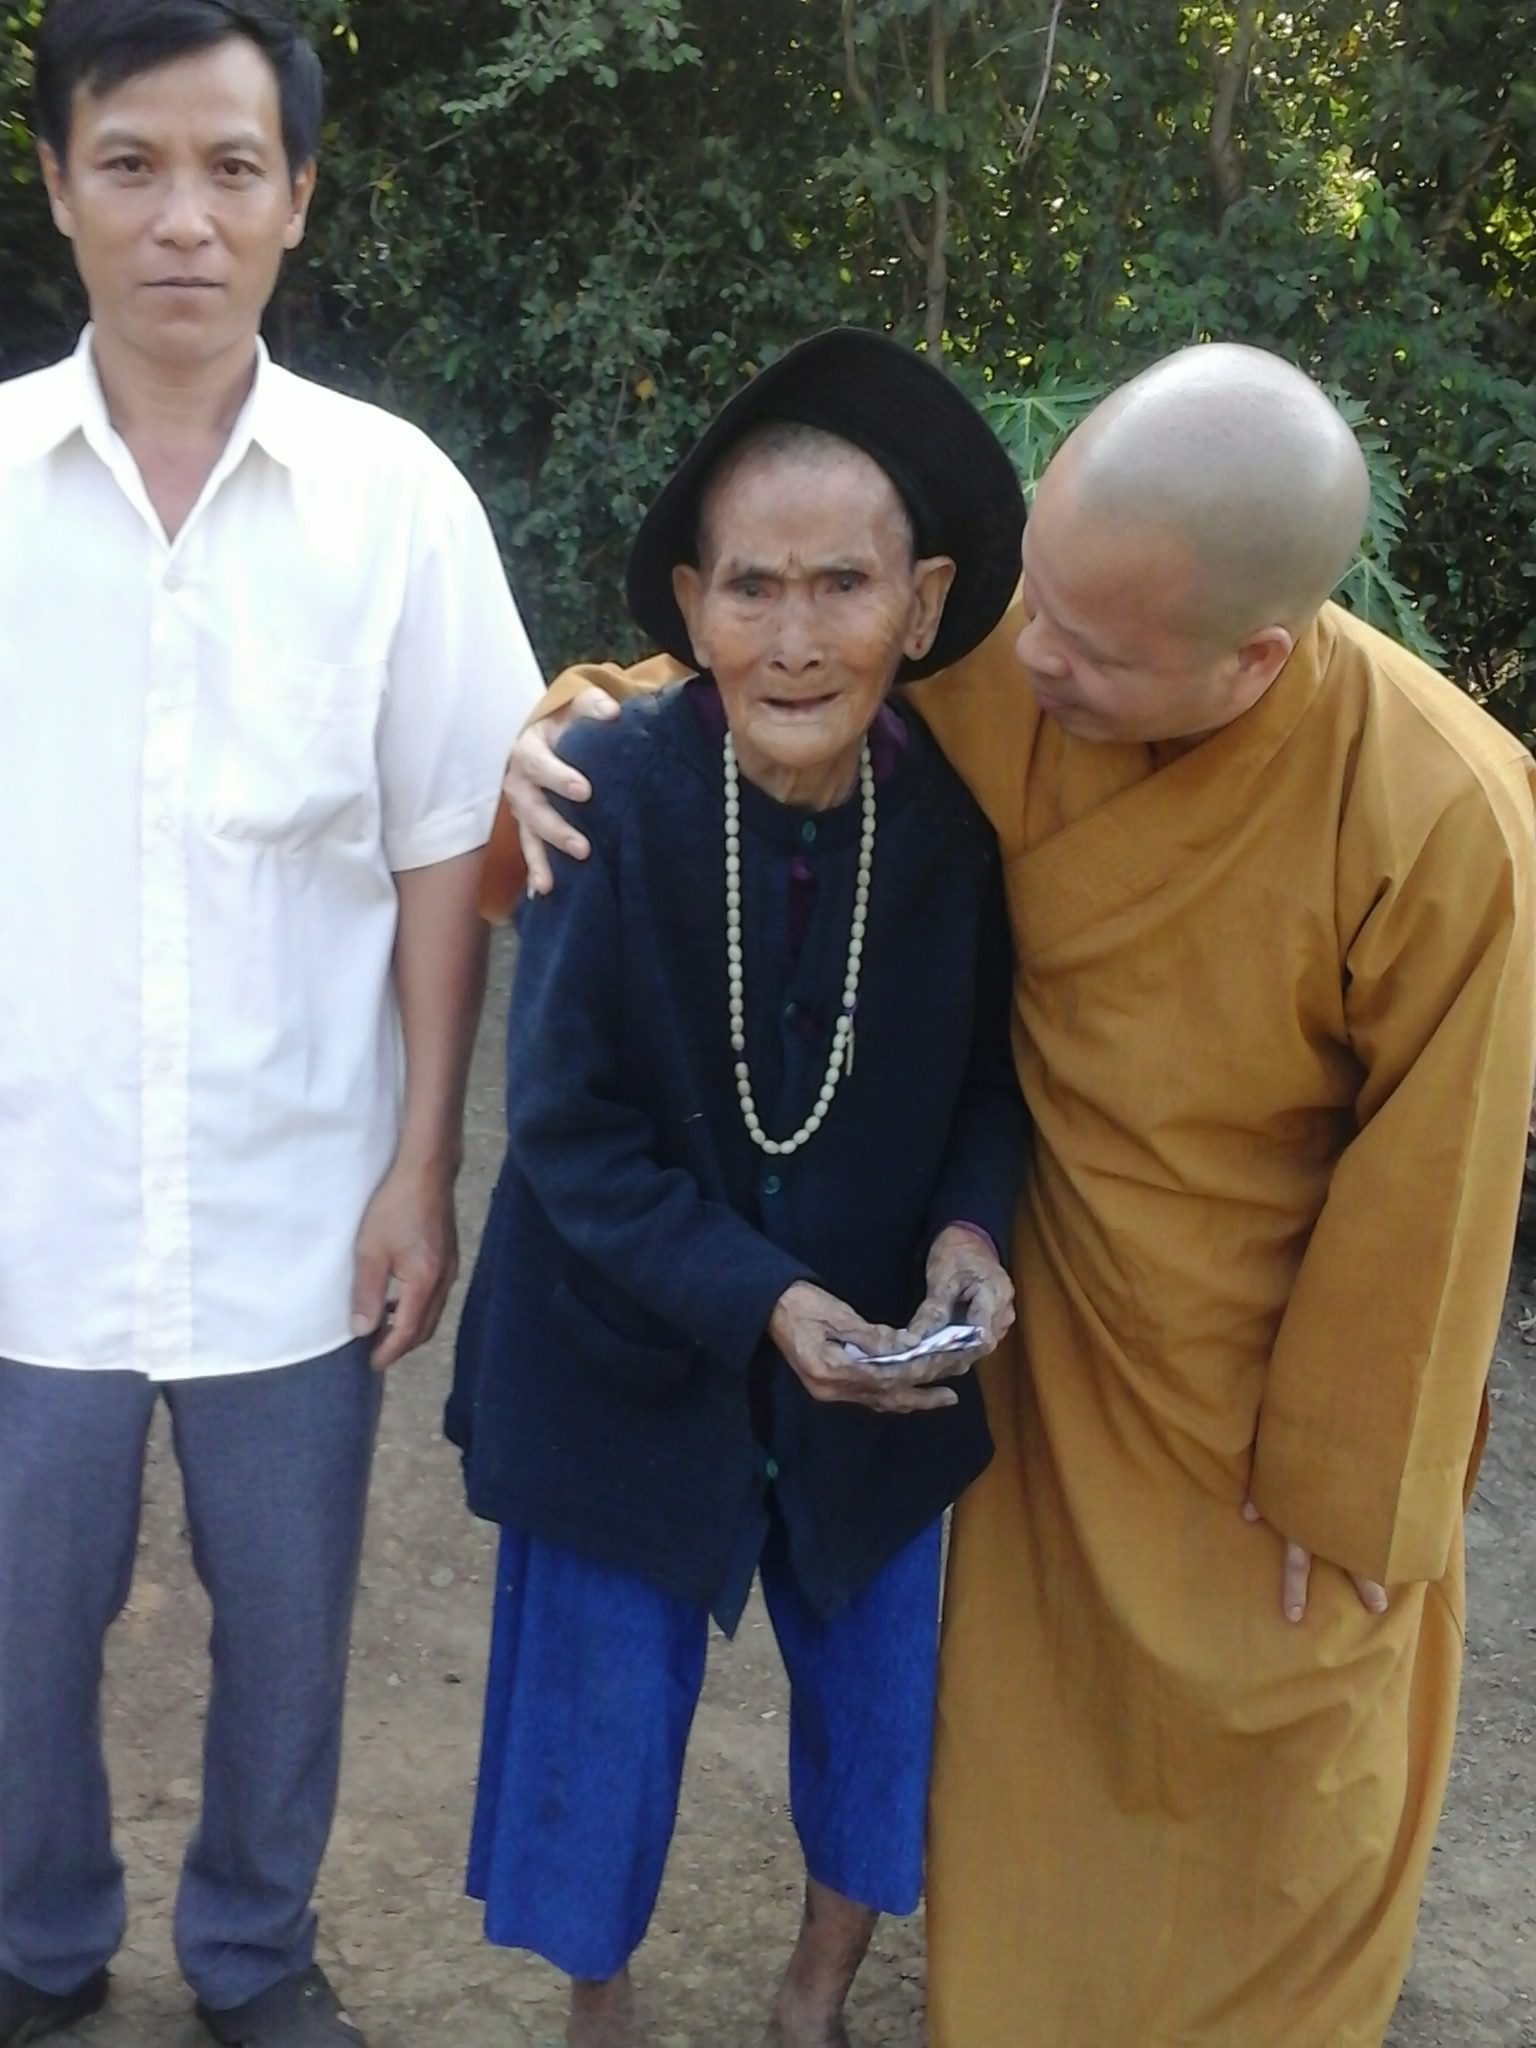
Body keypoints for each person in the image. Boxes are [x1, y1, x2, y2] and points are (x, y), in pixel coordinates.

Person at [496, 341, 1536, 2046]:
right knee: (1031, 1718)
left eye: (1093, 647)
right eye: (1031, 595)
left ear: (1253, 658)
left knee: (1283, 1717)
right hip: (1046, 1313)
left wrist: (1354, 1474)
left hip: (1255, 1350)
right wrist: (564, 719)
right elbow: (754, 668)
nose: (1032, 655)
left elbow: (1445, 1177)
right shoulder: (1007, 655)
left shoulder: (1447, 813)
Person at [0, 4, 542, 2044]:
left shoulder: (392, 502)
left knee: (291, 1627)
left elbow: (446, 841)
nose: (184, 219)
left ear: (298, 197)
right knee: (15, 1629)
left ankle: (253, 1950)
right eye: (131, 164)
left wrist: (423, 1163)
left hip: (300, 1196)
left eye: (233, 168)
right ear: (58, 184)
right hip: (25, 1200)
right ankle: (35, 1938)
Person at [446, 327, 1028, 2048]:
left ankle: (812, 1999)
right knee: (595, 1723)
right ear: (693, 607)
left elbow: (987, 1084)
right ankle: (599, 2011)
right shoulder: (604, 793)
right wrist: (761, 1299)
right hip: (618, 1352)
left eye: (843, 584)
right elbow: (566, 1129)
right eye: (753, 588)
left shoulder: (952, 832)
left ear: (922, 605)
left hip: (876, 1361)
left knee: (879, 1707)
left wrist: (968, 1233)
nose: (794, 638)